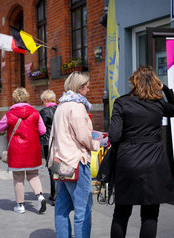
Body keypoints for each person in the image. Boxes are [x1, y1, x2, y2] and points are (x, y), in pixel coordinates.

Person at [108, 66, 174, 238]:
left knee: (121, 213)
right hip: (154, 163)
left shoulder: (121, 102)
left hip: (128, 162)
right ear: (154, 83)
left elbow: (114, 136)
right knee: (150, 216)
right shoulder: (158, 104)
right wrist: (164, 88)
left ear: (133, 82)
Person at [48, 71, 100, 238]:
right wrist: (97, 143)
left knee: (62, 208)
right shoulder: (77, 106)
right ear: (80, 88)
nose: (89, 90)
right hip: (76, 162)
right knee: (83, 209)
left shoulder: (61, 106)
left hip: (60, 161)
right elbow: (84, 136)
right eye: (87, 87)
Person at [0, 87, 47, 214]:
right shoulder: (35, 113)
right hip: (33, 149)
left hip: (16, 150)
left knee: (18, 177)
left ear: (14, 99)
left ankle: (20, 205)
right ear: (27, 98)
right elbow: (43, 131)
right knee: (33, 175)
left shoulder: (9, 114)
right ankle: (40, 196)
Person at [39, 89, 57, 203]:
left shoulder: (45, 111)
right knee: (59, 167)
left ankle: (54, 194)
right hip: (60, 142)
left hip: (48, 142)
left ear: (46, 100)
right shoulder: (60, 109)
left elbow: (42, 129)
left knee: (51, 168)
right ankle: (58, 193)